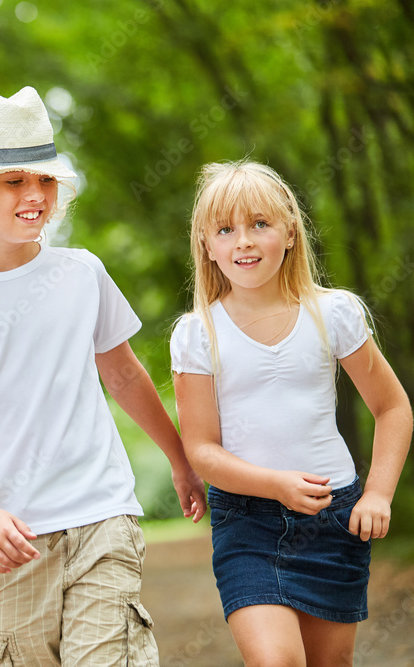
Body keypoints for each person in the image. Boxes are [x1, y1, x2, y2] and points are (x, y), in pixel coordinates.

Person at [0, 86, 206, 666]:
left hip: (101, 515)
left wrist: (180, 458)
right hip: (11, 541)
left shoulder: (82, 273)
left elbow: (126, 375)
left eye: (45, 180)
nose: (36, 195)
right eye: (15, 181)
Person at [170, 160, 413, 666]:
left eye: (260, 224)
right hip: (247, 523)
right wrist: (274, 485)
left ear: (290, 232)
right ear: (207, 246)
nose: (244, 241)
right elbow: (201, 449)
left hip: (334, 516)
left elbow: (392, 408)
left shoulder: (334, 314)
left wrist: (379, 494)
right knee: (276, 661)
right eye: (225, 229)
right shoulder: (197, 334)